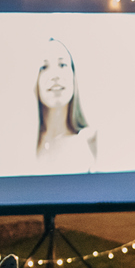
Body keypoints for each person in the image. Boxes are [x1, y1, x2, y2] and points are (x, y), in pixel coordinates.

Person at [35, 38, 97, 173]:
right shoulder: (21, 146)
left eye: (62, 65)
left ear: (74, 76)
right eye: (44, 67)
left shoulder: (91, 143)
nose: (55, 76)